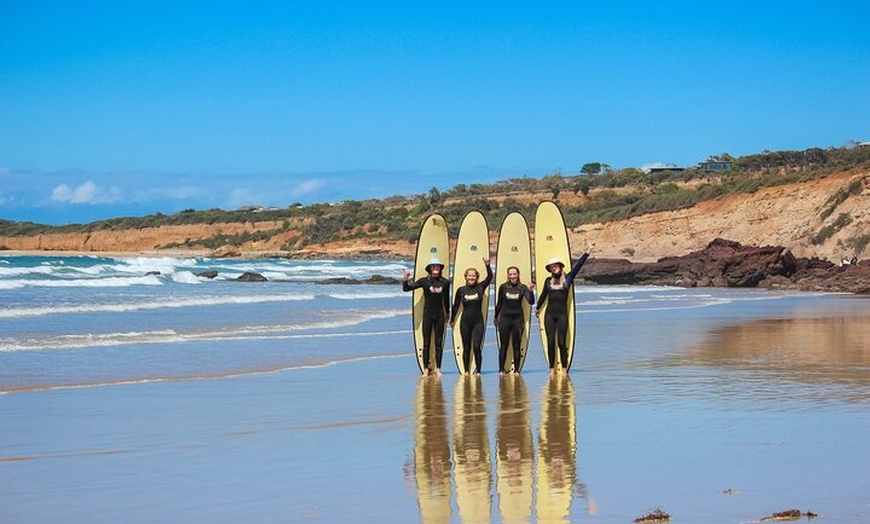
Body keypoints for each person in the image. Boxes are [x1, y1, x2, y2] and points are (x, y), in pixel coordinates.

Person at [536, 242, 595, 376]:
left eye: (555, 266)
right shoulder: (547, 281)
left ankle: (564, 369)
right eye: (552, 267)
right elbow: (543, 296)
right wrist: (538, 308)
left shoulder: (567, 279)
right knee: (551, 341)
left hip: (562, 316)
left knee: (562, 342)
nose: (554, 268)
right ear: (550, 269)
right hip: (549, 316)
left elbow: (578, 266)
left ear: (560, 267)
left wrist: (588, 251)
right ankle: (551, 369)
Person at [403, 258, 451, 376]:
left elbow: (446, 299)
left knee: (438, 343)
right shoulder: (424, 281)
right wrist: (406, 279)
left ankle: (438, 368)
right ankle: (426, 369)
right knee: (426, 343)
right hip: (428, 315)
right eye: (433, 266)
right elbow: (407, 289)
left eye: (438, 266)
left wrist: (448, 313)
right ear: (429, 268)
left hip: (440, 315)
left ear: (440, 269)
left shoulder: (445, 282)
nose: (435, 268)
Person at [450, 257, 493, 375]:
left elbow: (490, 278)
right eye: (469, 275)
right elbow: (456, 306)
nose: (471, 278)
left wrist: (487, 266)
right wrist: (452, 319)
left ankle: (478, 371)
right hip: (465, 322)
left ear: (477, 277)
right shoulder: (461, 290)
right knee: (466, 347)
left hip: (478, 322)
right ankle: (466, 371)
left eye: (473, 276)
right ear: (465, 277)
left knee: (477, 347)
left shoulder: (480, 287)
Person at [494, 266, 535, 374]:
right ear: (508, 275)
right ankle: (501, 370)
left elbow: (531, 301)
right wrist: (495, 317)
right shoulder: (503, 287)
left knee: (517, 345)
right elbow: (499, 304)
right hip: (504, 319)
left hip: (517, 319)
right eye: (510, 274)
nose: (512, 276)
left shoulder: (522, 287)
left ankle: (517, 371)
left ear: (518, 274)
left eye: (514, 274)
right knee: (504, 345)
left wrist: (530, 291)